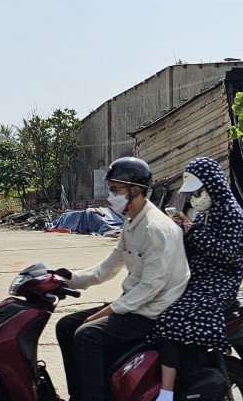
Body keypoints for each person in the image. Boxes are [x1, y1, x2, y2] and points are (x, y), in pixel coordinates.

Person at [55, 157, 190, 401]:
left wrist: (105, 312)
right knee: (66, 326)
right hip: (134, 303)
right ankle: (80, 395)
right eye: (111, 188)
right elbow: (107, 268)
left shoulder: (154, 227)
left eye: (116, 189)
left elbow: (151, 287)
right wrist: (66, 279)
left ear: (136, 190)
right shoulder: (131, 223)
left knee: (86, 334)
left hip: (152, 310)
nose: (111, 195)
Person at [148, 157, 243, 401]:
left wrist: (193, 232)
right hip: (199, 280)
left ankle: (166, 393)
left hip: (219, 283)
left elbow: (228, 255)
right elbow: (197, 247)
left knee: (170, 318)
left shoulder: (232, 214)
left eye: (198, 191)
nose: (194, 197)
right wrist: (179, 232)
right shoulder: (208, 213)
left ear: (212, 185)